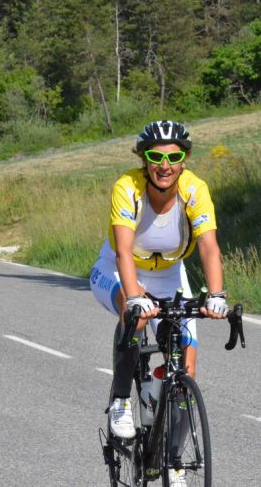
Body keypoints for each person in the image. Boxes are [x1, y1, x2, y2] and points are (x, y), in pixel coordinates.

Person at [90, 120, 228, 485]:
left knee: (187, 368)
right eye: (155, 157)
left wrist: (216, 295)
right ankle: (121, 400)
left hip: (169, 275)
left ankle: (173, 461)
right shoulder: (128, 187)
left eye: (174, 158)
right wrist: (135, 296)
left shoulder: (194, 190)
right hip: (118, 268)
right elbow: (123, 251)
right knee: (133, 313)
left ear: (185, 160)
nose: (164, 166)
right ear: (144, 159)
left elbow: (209, 246)